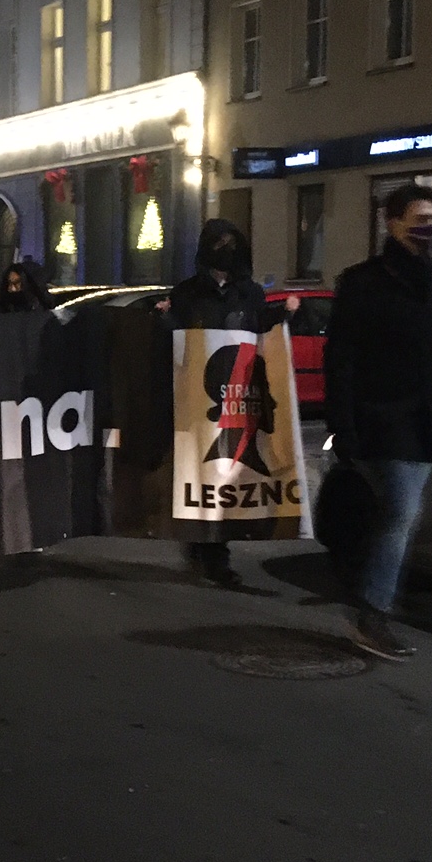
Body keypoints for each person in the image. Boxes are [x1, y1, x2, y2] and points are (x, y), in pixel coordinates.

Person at [325, 184, 432, 662]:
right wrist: (343, 426)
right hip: (383, 419)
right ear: (393, 223)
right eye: (419, 218)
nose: (429, 227)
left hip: (425, 421)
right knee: (400, 517)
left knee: (396, 517)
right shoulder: (364, 282)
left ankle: (366, 595)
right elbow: (340, 359)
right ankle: (372, 614)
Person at [167, 218, 297, 589]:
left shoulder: (249, 292)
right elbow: (177, 337)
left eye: (230, 242)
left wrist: (282, 315)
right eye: (218, 242)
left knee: (229, 474)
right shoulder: (188, 292)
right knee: (201, 473)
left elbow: (257, 328)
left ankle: (217, 556)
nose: (225, 249)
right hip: (198, 397)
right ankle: (200, 543)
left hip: (238, 395)